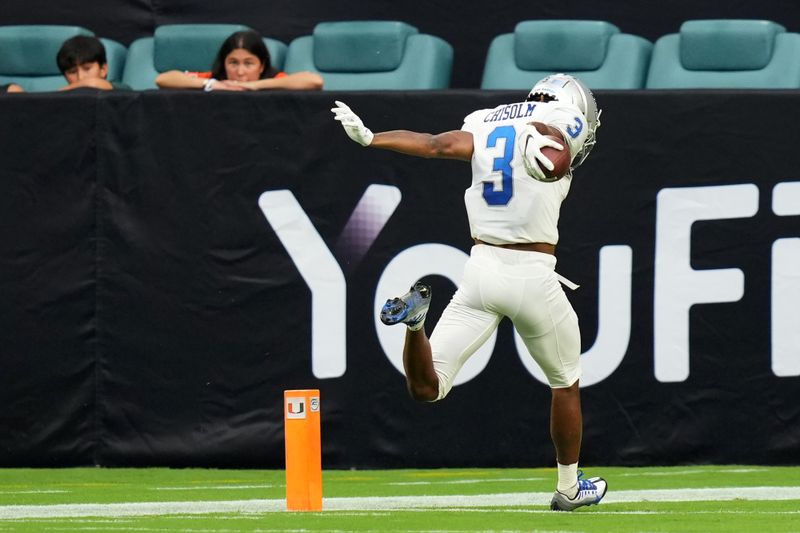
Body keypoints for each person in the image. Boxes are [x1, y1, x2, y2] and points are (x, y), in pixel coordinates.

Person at [331, 73, 607, 512]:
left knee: (427, 388)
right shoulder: (562, 117)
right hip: (533, 273)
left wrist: (371, 138)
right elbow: (554, 160)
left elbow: (435, 145)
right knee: (565, 385)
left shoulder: (488, 118)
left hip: (480, 270)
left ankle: (416, 324)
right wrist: (544, 150)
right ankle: (570, 488)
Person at [155, 30, 323, 91]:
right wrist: (212, 85)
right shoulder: (215, 79)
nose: (240, 72)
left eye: (248, 63)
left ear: (261, 65)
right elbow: (163, 79)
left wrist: (255, 86)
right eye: (233, 63)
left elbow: (314, 81)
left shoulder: (273, 80)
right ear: (224, 62)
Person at [56, 35, 130, 91]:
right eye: (72, 72)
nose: (81, 77)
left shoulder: (121, 89)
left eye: (87, 68)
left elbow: (93, 84)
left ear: (103, 70)